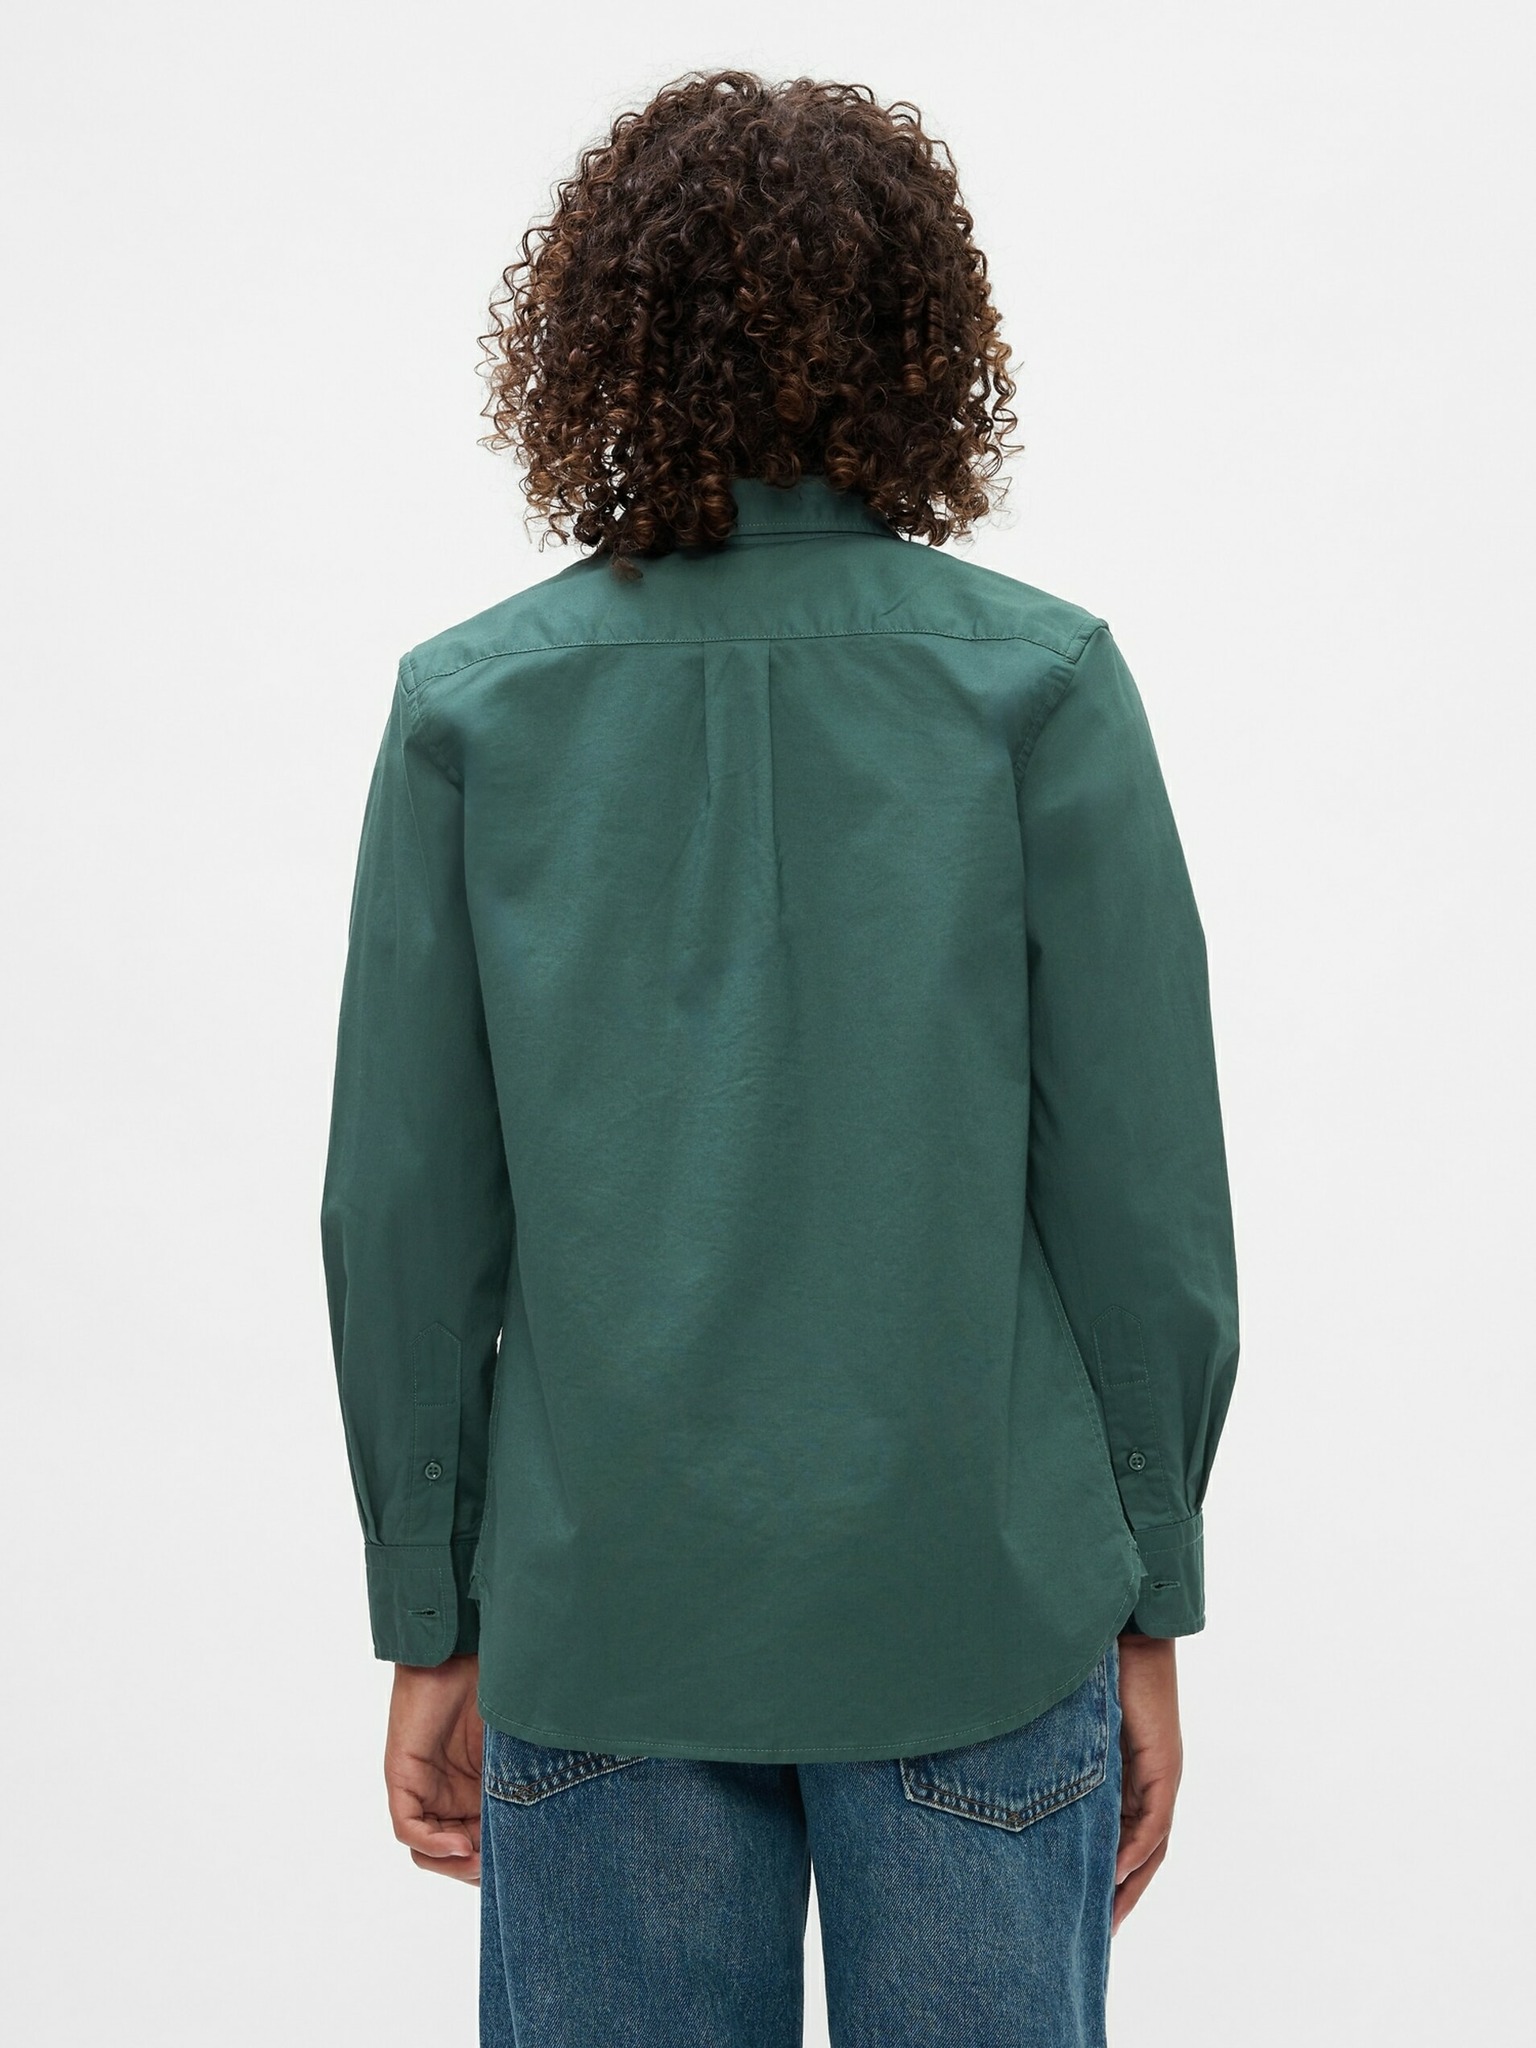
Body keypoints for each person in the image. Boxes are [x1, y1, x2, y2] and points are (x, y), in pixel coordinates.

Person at [320, 67, 1241, 2048]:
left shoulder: (469, 710)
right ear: (925, 346)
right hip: (978, 1602)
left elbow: (404, 1217)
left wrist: (431, 1612)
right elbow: (1143, 1203)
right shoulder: (1038, 684)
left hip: (605, 1611)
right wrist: (1151, 1591)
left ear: (599, 341)